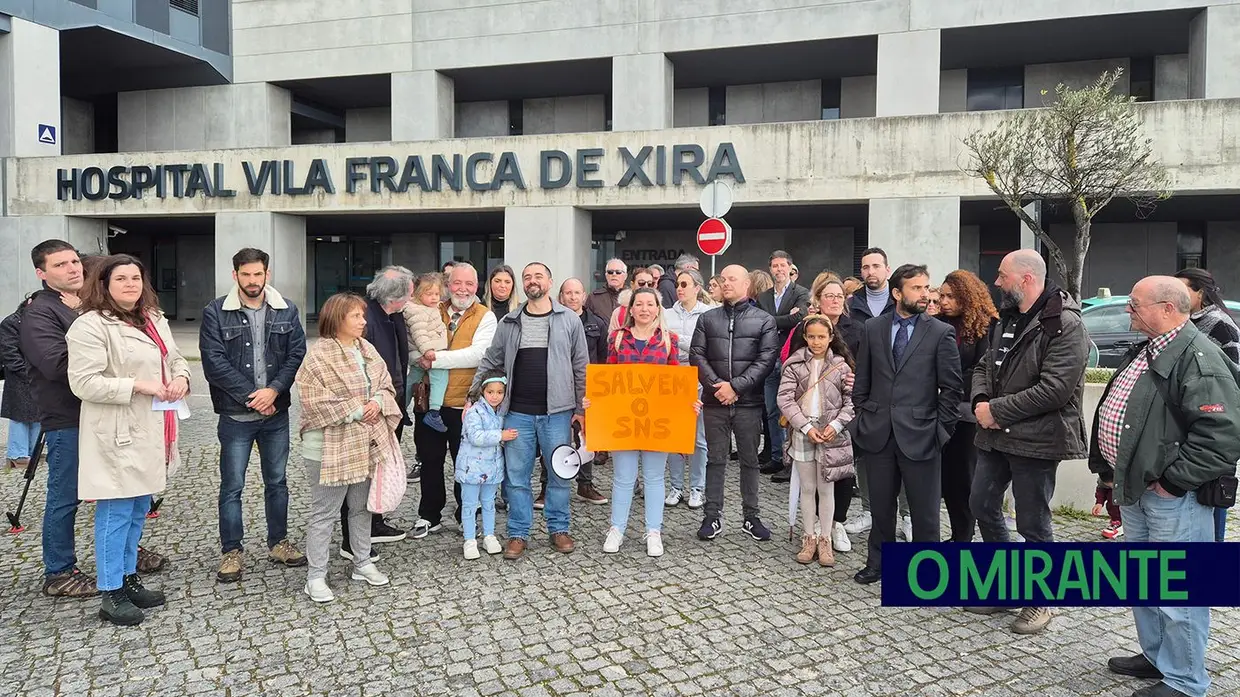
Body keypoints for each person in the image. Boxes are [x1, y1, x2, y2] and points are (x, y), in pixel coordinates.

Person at [1094, 276, 1240, 697]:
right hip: (1140, 490)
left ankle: (1186, 681)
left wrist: (1174, 483)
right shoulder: (1151, 348)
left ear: (1168, 309)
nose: (1128, 310)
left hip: (1174, 498)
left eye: (1135, 304)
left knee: (1180, 590)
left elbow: (1223, 434)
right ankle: (1159, 657)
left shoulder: (1198, 357)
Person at [20, 241, 166, 598]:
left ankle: (123, 561)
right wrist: (108, 351)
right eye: (60, 265)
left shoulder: (94, 308)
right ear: (42, 274)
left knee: (126, 492)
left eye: (75, 262)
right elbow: (57, 365)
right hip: (68, 417)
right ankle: (59, 569)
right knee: (66, 495)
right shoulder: (41, 313)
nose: (72, 269)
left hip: (115, 413)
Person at [967, 250, 1088, 634]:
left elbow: (1054, 390)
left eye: (1003, 276)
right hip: (996, 435)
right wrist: (981, 402)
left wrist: (997, 411)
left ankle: (1040, 600)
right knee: (981, 503)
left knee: (1033, 523)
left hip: (1036, 438)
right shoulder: (1010, 318)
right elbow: (986, 365)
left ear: (1027, 279)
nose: (997, 283)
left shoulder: (1064, 324)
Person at [67, 254, 190, 625]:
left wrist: (182, 378)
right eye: (121, 279)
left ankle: (128, 577)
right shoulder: (90, 326)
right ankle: (110, 592)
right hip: (116, 430)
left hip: (152, 426)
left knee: (139, 508)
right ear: (103, 284)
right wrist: (137, 385)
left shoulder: (152, 317)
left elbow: (175, 357)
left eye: (136, 278)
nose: (131, 284)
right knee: (115, 512)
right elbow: (83, 382)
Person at [200, 247, 308, 584]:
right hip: (236, 417)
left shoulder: (286, 309)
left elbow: (297, 353)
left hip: (276, 414)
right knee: (232, 486)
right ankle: (232, 551)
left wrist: (274, 390)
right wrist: (253, 397)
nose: (252, 281)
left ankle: (278, 542)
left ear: (267, 274)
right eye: (245, 275)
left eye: (257, 274)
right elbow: (213, 362)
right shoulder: (215, 312)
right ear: (235, 276)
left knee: (277, 482)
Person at [851, 264, 962, 586]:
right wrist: (863, 419)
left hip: (922, 434)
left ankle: (927, 574)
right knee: (881, 508)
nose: (925, 295)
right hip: (878, 433)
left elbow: (952, 389)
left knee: (925, 511)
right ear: (897, 293)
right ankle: (879, 564)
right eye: (917, 288)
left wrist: (941, 432)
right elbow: (863, 380)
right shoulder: (873, 328)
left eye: (927, 288)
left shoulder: (940, 332)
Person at [472, 262, 588, 560]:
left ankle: (559, 528)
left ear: (550, 281)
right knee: (516, 478)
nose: (532, 280)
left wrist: (581, 408)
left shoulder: (569, 320)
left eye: (538, 276)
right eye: (527, 277)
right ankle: (518, 533)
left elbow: (581, 367)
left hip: (558, 413)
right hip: (518, 414)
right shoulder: (510, 322)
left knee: (559, 474)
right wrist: (473, 396)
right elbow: (491, 360)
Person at [296, 293, 401, 603]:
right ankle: (315, 576)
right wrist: (359, 409)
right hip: (328, 447)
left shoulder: (366, 349)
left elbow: (386, 385)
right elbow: (313, 400)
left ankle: (362, 562)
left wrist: (378, 402)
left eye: (362, 316)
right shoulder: (319, 355)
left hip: (365, 442)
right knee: (324, 513)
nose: (363, 322)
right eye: (356, 316)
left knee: (360, 508)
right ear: (337, 319)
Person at [588, 288, 698, 557]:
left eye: (650, 304)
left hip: (656, 422)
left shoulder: (668, 341)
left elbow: (676, 382)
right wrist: (594, 401)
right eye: (639, 304)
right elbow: (608, 378)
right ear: (631, 309)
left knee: (653, 478)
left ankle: (653, 531)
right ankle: (617, 528)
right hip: (623, 421)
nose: (645, 309)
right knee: (623, 478)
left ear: (658, 309)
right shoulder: (616, 339)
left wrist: (689, 404)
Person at [690, 264, 780, 542]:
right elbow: (697, 354)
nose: (725, 283)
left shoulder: (764, 320)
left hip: (749, 403)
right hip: (715, 401)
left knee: (750, 461)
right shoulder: (708, 319)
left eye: (732, 279)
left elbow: (766, 360)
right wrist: (718, 387)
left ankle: (751, 517)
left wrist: (736, 387)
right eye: (723, 279)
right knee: (715, 460)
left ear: (746, 284)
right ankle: (711, 515)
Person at [411, 262, 498, 535]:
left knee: (467, 462)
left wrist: (435, 359)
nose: (463, 288)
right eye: (457, 283)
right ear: (448, 284)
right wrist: (420, 358)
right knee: (430, 460)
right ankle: (429, 514)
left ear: (477, 286)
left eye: (469, 284)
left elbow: (478, 354)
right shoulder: (430, 307)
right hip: (429, 403)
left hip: (465, 403)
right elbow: (412, 340)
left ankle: (466, 514)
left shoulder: (486, 316)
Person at [783, 275, 861, 553]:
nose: (817, 341)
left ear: (831, 338)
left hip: (834, 427)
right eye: (829, 295)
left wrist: (838, 424)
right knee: (808, 486)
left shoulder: (844, 356)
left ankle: (830, 531)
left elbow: (854, 391)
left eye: (839, 296)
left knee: (834, 482)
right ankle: (810, 534)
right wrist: (803, 426)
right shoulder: (797, 356)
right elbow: (787, 393)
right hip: (806, 428)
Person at [340, 266, 414, 558]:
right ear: (395, 297)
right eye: (407, 294)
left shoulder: (392, 315)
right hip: (370, 411)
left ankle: (374, 523)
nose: (410, 299)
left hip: (389, 405)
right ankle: (352, 540)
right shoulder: (365, 318)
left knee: (377, 472)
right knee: (360, 477)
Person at [1175, 267, 1239, 542]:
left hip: (1213, 423)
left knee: (1211, 498)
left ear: (1200, 292)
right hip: (1186, 425)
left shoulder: (1219, 324)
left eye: (1183, 290)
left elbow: (1234, 375)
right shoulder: (1185, 321)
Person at [935, 270, 998, 543]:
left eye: (951, 296)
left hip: (968, 414)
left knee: (966, 478)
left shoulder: (987, 326)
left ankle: (968, 536)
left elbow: (983, 370)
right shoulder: (936, 323)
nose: (945, 301)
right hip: (940, 411)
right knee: (948, 481)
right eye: (942, 296)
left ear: (967, 296)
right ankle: (960, 534)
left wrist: (949, 385)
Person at [842, 248, 898, 539]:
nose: (870, 272)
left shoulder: (901, 302)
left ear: (887, 270)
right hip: (863, 390)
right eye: (865, 267)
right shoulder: (851, 305)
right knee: (863, 451)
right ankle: (868, 511)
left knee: (903, 450)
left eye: (876, 266)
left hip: (899, 389)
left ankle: (906, 515)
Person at [756, 251, 811, 484]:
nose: (778, 270)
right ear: (770, 269)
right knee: (770, 410)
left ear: (790, 268)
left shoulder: (801, 292)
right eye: (775, 266)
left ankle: (790, 462)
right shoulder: (764, 296)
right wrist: (783, 319)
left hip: (791, 358)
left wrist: (773, 320)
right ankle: (776, 457)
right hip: (769, 357)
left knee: (788, 412)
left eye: (782, 266)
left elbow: (799, 319)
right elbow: (760, 321)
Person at [557, 278, 609, 504]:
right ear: (561, 296)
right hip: (558, 386)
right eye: (568, 292)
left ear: (584, 295)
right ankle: (549, 485)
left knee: (585, 438)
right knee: (556, 437)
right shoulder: (553, 321)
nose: (572, 296)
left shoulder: (597, 323)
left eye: (577, 292)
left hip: (588, 388)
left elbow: (604, 356)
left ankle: (585, 485)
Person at [664, 269, 712, 509]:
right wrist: (685, 341)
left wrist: (678, 339)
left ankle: (697, 488)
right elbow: (661, 341)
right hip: (672, 378)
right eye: (677, 284)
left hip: (699, 378)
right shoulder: (665, 313)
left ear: (697, 287)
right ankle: (675, 487)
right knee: (673, 437)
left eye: (685, 284)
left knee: (698, 438)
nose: (679, 288)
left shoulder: (709, 314)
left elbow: (703, 346)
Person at [456, 369, 516, 559]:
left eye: (500, 392)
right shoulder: (474, 412)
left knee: (489, 502)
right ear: (483, 391)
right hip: (471, 468)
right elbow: (475, 437)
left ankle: (489, 535)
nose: (495, 396)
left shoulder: (501, 413)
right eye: (491, 392)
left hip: (491, 467)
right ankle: (469, 539)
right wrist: (500, 435)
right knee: (470, 504)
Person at [402, 273, 452, 433]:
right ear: (418, 294)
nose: (434, 297)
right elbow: (419, 333)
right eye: (429, 294)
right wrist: (427, 351)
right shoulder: (418, 311)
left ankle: (400, 407)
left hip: (420, 352)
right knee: (440, 377)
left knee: (412, 379)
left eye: (436, 294)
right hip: (427, 352)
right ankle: (434, 412)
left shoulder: (429, 308)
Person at [1, 296, 39, 470]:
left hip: (37, 376)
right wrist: (27, 372)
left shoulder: (37, 321)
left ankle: (33, 451)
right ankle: (17, 454)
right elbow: (9, 353)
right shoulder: (10, 323)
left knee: (38, 416)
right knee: (20, 417)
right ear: (30, 302)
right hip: (19, 378)